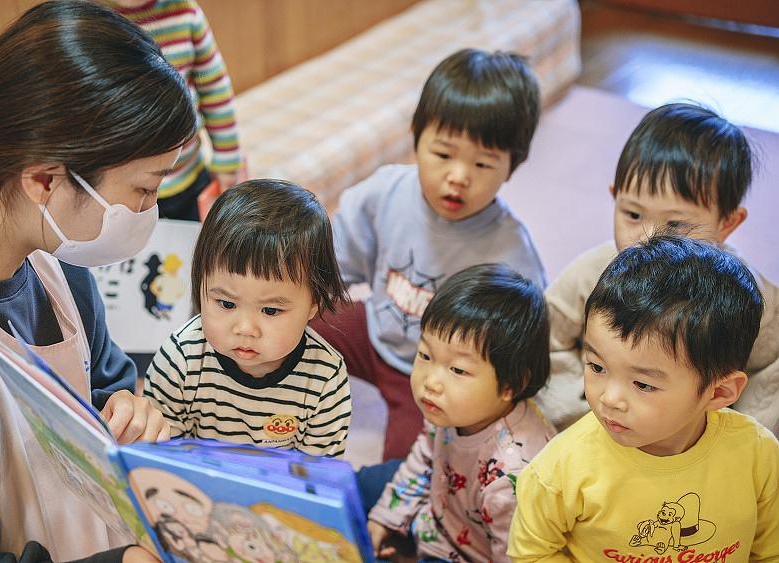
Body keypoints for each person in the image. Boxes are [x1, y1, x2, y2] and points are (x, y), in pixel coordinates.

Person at [0, 1, 198, 561]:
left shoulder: (58, 259)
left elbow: (105, 385)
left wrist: (130, 407)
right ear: (44, 179)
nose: (149, 210)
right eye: (146, 190)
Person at [311, 48, 547, 460]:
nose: (458, 176)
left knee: (407, 467)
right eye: (442, 154)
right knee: (286, 317)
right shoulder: (385, 193)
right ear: (417, 139)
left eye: (483, 164)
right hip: (375, 331)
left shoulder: (511, 254)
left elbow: (521, 348)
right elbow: (329, 264)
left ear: (512, 167)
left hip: (436, 376)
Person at [508, 235, 779, 561]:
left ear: (719, 392)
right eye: (597, 366)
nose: (609, 398)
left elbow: (770, 550)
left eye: (643, 385)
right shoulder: (559, 471)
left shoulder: (758, 456)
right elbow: (532, 553)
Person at [538, 103, 779, 434]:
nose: (647, 236)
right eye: (633, 215)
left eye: (676, 224)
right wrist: (578, 411)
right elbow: (546, 336)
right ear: (615, 197)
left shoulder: (749, 297)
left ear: (727, 223)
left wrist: (736, 435)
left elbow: (769, 368)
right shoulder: (593, 272)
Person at [144, 180, 353, 458]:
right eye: (226, 303)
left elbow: (316, 478)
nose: (245, 329)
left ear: (313, 303)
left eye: (270, 311)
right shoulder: (179, 361)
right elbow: (159, 456)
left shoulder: (325, 377)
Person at [366, 264, 556, 562]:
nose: (431, 382)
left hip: (463, 555)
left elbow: (514, 556)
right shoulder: (450, 409)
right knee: (356, 486)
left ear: (511, 385)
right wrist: (384, 519)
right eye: (425, 356)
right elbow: (424, 458)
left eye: (457, 370)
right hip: (438, 514)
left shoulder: (513, 477)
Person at [109, 0, 242, 220]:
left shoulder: (185, 12)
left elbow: (215, 90)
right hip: (119, 193)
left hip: (189, 176)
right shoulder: (88, 18)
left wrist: (227, 160)